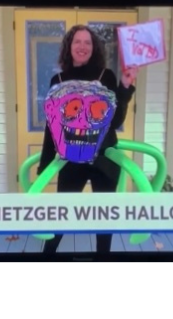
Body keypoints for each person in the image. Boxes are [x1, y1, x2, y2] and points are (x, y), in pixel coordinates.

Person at [36, 26, 137, 255]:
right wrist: (44, 166)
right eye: (77, 42)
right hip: (72, 160)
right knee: (62, 215)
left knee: (104, 221)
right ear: (69, 47)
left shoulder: (105, 76)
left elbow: (115, 121)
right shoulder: (57, 80)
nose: (82, 46)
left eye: (88, 42)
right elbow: (52, 127)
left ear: (94, 48)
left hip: (105, 160)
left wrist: (124, 87)